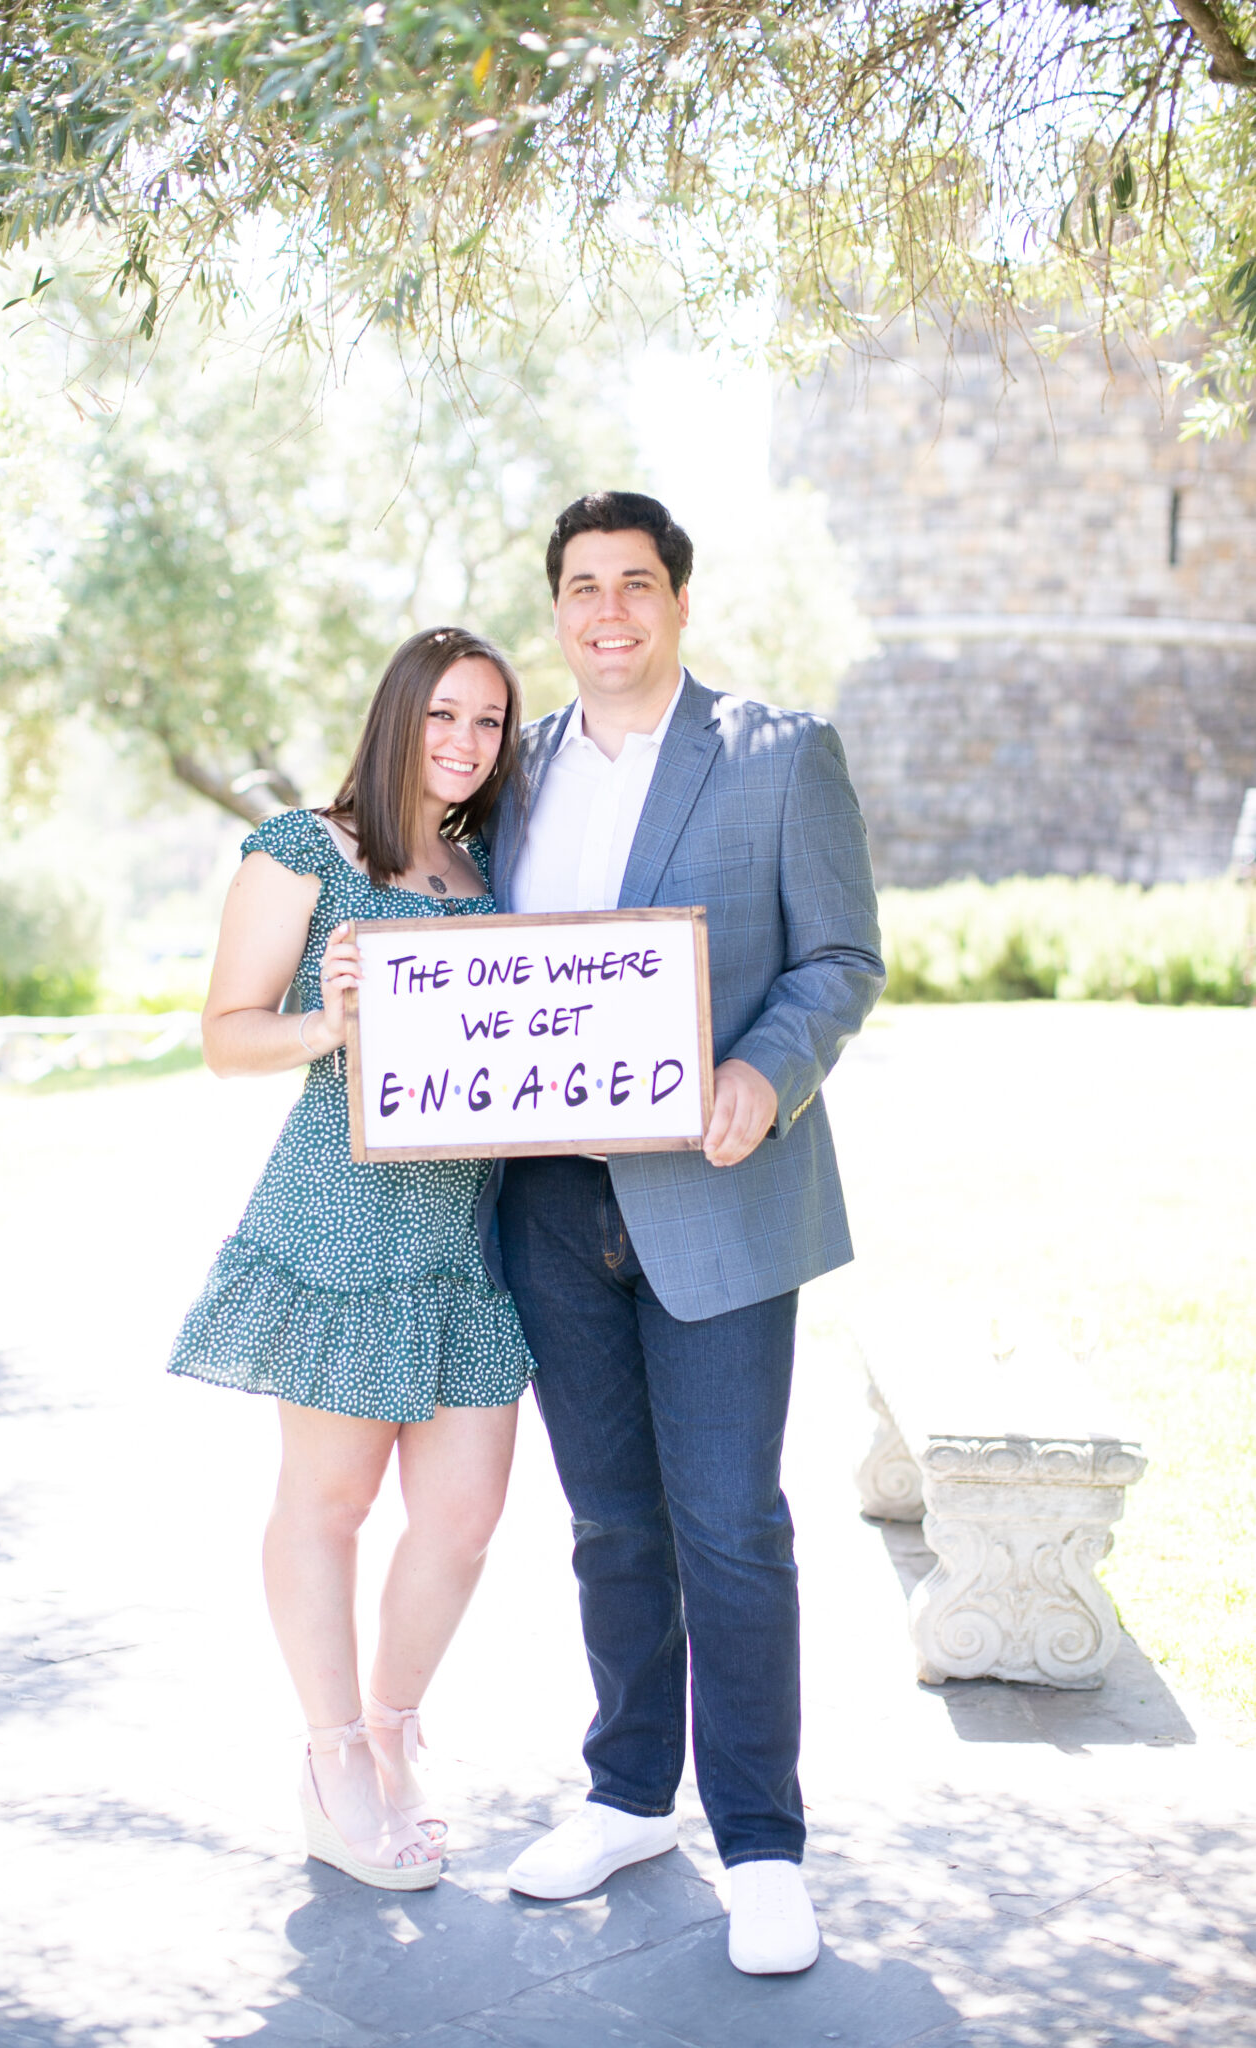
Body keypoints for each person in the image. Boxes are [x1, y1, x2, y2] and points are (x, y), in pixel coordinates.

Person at [482, 492, 884, 1973]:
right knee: (606, 1522)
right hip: (547, 1201)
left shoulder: (780, 754)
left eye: (633, 583)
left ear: (680, 602)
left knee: (732, 1525)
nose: (607, 611)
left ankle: (764, 1845)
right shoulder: (509, 773)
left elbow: (841, 955)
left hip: (715, 1192)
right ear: (559, 610)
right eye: (580, 587)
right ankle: (627, 1791)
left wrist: (758, 1073)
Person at [168, 626, 535, 1892]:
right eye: (442, 716)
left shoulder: (489, 867)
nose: (464, 743)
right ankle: (333, 1762)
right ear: (397, 717)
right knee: (327, 1508)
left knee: (466, 1518)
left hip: (463, 1241)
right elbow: (223, 1036)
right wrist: (328, 1025)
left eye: (488, 722)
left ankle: (391, 1726)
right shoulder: (305, 848)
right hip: (340, 1228)